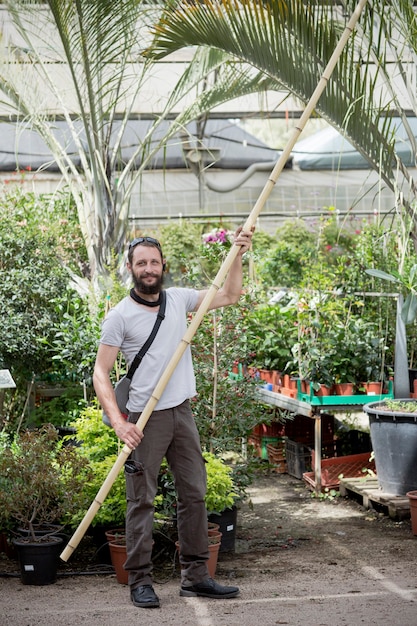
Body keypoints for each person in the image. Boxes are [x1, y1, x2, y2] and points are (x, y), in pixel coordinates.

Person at [93, 226, 254, 609]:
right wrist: (119, 422)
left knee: (194, 496)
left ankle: (196, 577)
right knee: (141, 501)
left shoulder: (180, 299)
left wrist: (238, 254)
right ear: (130, 268)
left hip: (181, 412)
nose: (149, 268)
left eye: (154, 261)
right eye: (141, 263)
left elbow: (231, 294)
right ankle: (140, 581)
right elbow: (101, 373)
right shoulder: (120, 316)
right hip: (144, 420)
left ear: (163, 265)